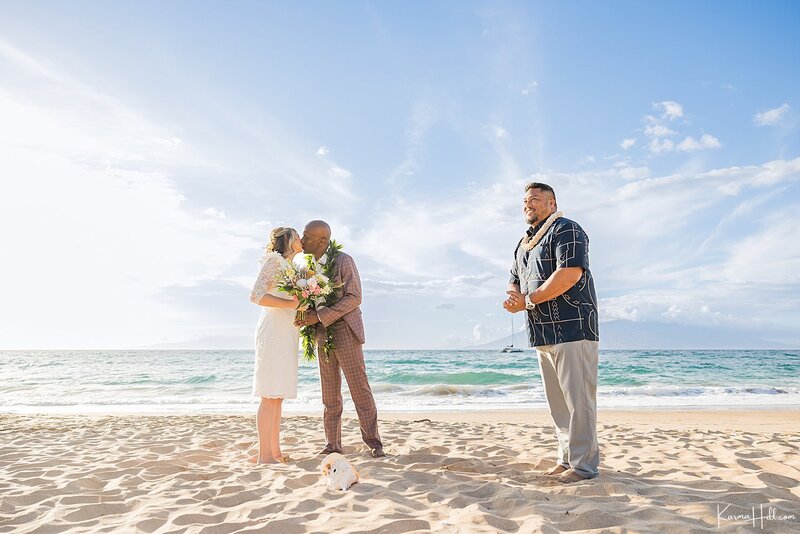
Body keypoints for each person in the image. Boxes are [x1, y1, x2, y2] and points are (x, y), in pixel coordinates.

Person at [503, 182, 600, 483]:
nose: (528, 204)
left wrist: (528, 301)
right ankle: (567, 458)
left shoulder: (567, 229)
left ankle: (584, 467)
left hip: (573, 327)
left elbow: (569, 274)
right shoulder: (523, 244)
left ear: (551, 203)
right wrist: (513, 297)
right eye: (525, 201)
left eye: (535, 199)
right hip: (542, 332)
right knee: (559, 404)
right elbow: (514, 279)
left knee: (579, 402)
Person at [294, 220, 385, 458]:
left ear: (323, 240)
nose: (302, 241)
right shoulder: (305, 267)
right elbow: (304, 299)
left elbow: (355, 297)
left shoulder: (344, 260)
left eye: (307, 236)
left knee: (359, 390)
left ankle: (374, 442)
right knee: (329, 394)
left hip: (346, 330)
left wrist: (319, 316)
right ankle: (332, 444)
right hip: (322, 335)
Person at [248, 227, 304, 464]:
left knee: (277, 395)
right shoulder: (274, 261)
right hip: (272, 331)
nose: (302, 239)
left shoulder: (292, 268)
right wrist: (293, 305)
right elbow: (256, 295)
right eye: (298, 236)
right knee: (268, 394)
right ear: (289, 240)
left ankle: (276, 452)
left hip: (286, 332)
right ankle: (264, 456)